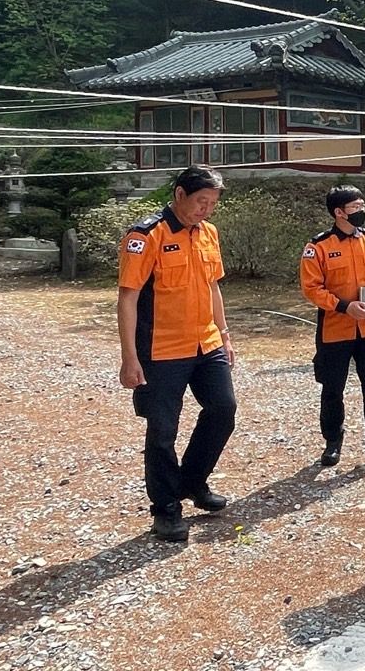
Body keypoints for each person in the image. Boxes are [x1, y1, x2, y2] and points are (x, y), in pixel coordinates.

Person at [117, 165, 237, 541]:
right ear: (180, 194)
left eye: (212, 203)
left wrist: (224, 335)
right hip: (162, 349)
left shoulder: (208, 233)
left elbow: (213, 286)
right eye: (201, 201)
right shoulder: (146, 235)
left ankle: (192, 481)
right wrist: (129, 357)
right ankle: (166, 509)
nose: (206, 209)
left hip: (207, 343)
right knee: (162, 431)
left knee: (223, 410)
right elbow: (128, 298)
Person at [300, 186, 365, 468]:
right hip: (335, 329)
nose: (361, 211)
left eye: (362, 205)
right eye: (355, 207)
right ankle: (333, 442)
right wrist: (343, 306)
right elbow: (312, 288)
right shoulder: (318, 247)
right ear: (339, 212)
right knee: (332, 388)